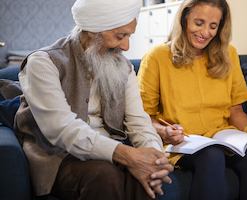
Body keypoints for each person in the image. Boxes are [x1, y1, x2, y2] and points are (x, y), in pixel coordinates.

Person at [13, 0, 173, 199]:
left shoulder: (124, 68)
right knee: (104, 175)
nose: (126, 46)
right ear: (93, 30)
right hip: (59, 157)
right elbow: (62, 130)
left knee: (146, 176)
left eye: (129, 36)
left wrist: (154, 157)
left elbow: (138, 121)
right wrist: (127, 155)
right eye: (120, 36)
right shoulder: (43, 63)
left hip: (114, 151)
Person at [137, 0, 247, 199]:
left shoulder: (229, 54)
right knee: (212, 155)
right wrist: (164, 131)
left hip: (223, 136)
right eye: (199, 23)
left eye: (213, 26)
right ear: (184, 19)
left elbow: (236, 111)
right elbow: (142, 117)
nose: (205, 32)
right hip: (182, 141)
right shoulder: (157, 57)